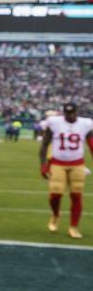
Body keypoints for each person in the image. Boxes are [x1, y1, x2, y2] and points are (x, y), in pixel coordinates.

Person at [40, 102, 93, 239]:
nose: (70, 115)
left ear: (77, 111)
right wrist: (43, 164)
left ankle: (74, 226)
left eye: (73, 112)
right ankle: (56, 214)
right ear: (64, 112)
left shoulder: (86, 124)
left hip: (77, 164)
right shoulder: (54, 123)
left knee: (76, 195)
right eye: (67, 113)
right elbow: (45, 144)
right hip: (58, 163)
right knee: (55, 194)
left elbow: (91, 143)